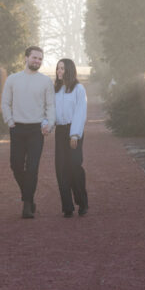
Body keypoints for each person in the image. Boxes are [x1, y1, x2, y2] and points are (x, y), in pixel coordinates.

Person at [1, 45, 55, 219]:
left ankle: (27, 205)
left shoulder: (45, 81)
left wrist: (49, 124)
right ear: (26, 58)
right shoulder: (13, 79)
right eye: (34, 57)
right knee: (15, 165)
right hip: (17, 128)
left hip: (36, 130)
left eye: (40, 59)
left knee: (32, 168)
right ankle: (29, 197)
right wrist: (9, 121)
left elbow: (50, 106)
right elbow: (5, 103)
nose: (37, 61)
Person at [53, 58, 88, 217]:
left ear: (69, 70)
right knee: (61, 168)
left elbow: (80, 113)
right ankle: (67, 206)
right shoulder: (56, 89)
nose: (59, 71)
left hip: (74, 131)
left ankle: (82, 201)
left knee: (75, 166)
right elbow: (51, 111)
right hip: (60, 132)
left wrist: (74, 134)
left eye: (62, 68)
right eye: (58, 68)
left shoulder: (78, 89)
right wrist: (45, 125)